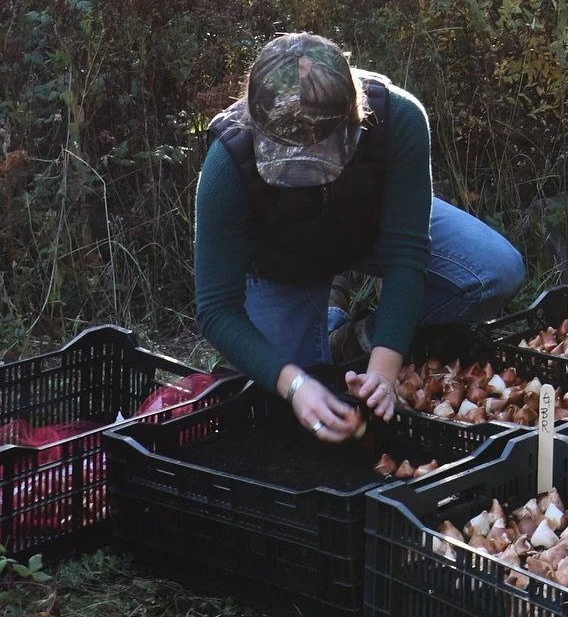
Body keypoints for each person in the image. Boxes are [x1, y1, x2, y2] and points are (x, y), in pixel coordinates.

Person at [194, 31, 525, 441]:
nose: (306, 172)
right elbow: (217, 309)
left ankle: (358, 337)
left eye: (318, 156)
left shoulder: (399, 119)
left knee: (496, 271)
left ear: (355, 120)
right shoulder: (228, 163)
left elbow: (406, 254)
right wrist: (294, 384)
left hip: (371, 225)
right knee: (288, 398)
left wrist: (383, 370)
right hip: (281, 261)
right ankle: (331, 321)